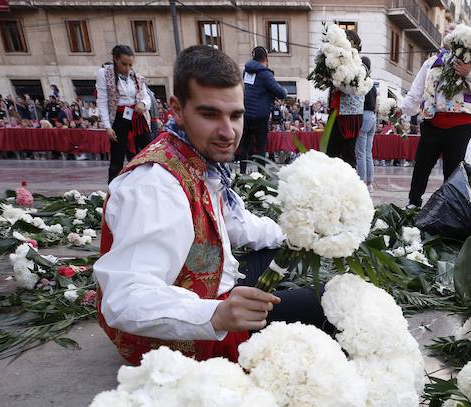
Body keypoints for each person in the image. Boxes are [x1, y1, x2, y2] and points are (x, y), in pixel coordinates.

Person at [94, 45, 326, 366]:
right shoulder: (155, 185)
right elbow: (125, 297)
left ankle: (261, 308)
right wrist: (216, 313)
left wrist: (299, 235)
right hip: (186, 339)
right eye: (209, 114)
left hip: (215, 292)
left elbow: (237, 224)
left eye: (235, 115)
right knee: (330, 300)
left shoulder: (197, 156)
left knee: (285, 252)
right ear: (177, 109)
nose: (227, 132)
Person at [398, 27, 471, 207]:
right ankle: (414, 202)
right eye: (447, 32)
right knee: (422, 166)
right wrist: (403, 109)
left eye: (453, 31)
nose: (448, 34)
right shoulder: (431, 62)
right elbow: (416, 90)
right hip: (432, 123)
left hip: (460, 126)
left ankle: (447, 206)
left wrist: (470, 73)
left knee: (452, 171)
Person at [97, 44, 152, 183]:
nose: (127, 68)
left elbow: (146, 97)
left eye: (130, 65)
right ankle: (113, 193)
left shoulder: (136, 77)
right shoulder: (104, 74)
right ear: (115, 59)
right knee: (117, 158)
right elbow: (102, 100)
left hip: (138, 118)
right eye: (124, 64)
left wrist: (143, 104)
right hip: (118, 119)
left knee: (148, 153)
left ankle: (146, 184)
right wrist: (107, 126)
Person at [238, 46, 288, 174]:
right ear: (266, 58)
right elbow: (281, 93)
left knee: (244, 145)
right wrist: (282, 91)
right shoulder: (265, 74)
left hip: (245, 114)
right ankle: (261, 176)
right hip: (260, 117)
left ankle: (242, 173)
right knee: (261, 147)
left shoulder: (246, 71)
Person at [325, 30, 365, 168]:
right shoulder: (337, 62)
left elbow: (354, 90)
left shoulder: (359, 66)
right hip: (335, 112)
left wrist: (336, 80)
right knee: (330, 154)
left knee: (348, 154)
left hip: (349, 116)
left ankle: (350, 185)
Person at [355, 57, 378, 189]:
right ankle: (370, 182)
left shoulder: (362, 82)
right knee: (368, 152)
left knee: (361, 153)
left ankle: (362, 182)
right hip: (372, 117)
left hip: (364, 116)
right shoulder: (373, 85)